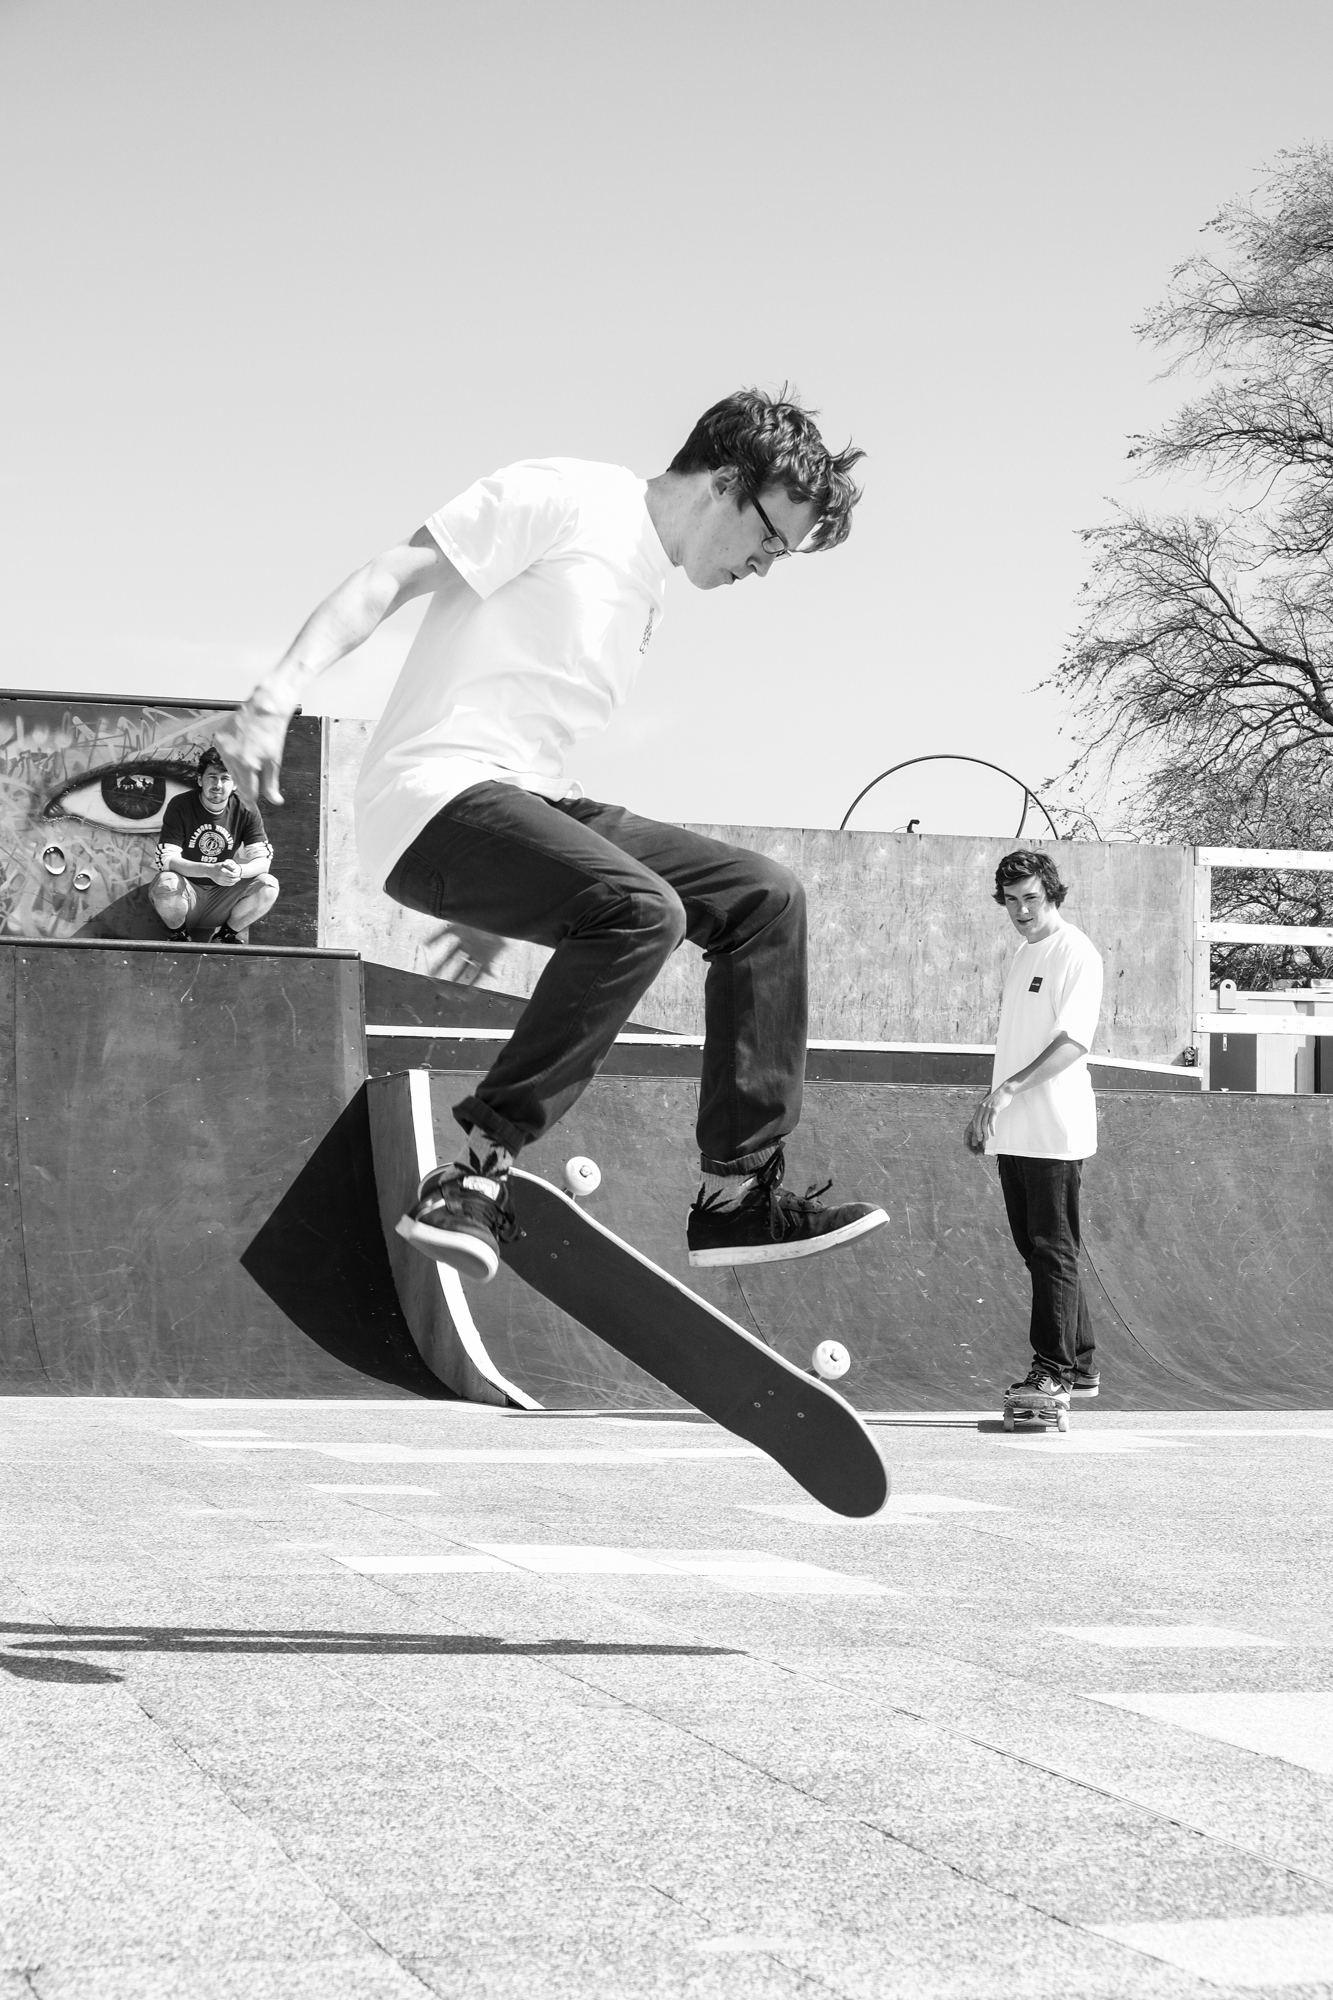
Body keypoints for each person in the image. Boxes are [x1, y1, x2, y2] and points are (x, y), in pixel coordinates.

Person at [214, 388, 888, 1281]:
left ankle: (736, 1195)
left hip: (531, 799)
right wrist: (273, 695)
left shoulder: (649, 585)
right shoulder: (567, 497)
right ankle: (475, 1175)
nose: (765, 566)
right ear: (725, 482)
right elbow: (391, 575)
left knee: (763, 898)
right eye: (769, 538)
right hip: (432, 800)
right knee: (642, 911)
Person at [964, 850, 1104, 1414]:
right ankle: (1083, 1362)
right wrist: (993, 1108)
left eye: (1032, 898)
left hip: (1053, 1131)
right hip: (1015, 1131)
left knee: (1053, 1250)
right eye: (1012, 900)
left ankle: (1052, 1374)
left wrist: (1007, 1091)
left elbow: (1073, 1043)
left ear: (1052, 896)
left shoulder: (1076, 952)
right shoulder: (1023, 955)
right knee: (1040, 1250)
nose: (1021, 910)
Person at [150, 747, 279, 943]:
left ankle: (225, 935)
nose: (218, 785)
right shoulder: (181, 805)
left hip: (223, 900)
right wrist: (209, 870)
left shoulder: (246, 808)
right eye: (212, 777)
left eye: (225, 778)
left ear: (235, 783)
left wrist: (239, 870)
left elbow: (263, 861)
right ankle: (179, 935)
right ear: (200, 780)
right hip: (187, 896)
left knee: (268, 885)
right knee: (166, 882)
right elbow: (167, 861)